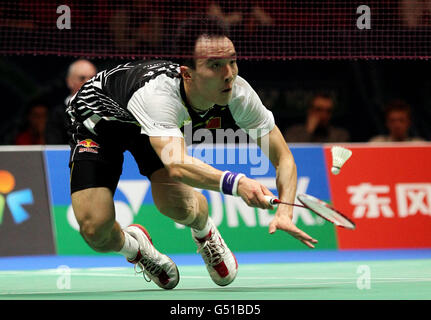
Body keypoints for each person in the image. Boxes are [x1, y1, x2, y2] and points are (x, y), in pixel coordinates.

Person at [66, 17, 317, 290]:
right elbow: (177, 165)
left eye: (232, 61)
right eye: (215, 65)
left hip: (154, 128)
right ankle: (137, 249)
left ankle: (205, 232)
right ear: (187, 74)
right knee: (94, 230)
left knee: (176, 205)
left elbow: (283, 158)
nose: (229, 74)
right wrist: (238, 183)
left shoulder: (239, 94)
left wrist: (285, 212)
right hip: (97, 123)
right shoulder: (159, 97)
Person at [47, 59, 97, 144]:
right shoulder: (57, 114)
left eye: (92, 78)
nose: (88, 82)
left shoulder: (106, 111)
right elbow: (54, 150)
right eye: (82, 78)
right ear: (69, 81)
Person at [284, 93, 350, 143]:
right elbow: (296, 154)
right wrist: (309, 131)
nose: (324, 114)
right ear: (310, 110)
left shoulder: (340, 135)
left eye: (328, 111)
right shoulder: (293, 133)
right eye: (319, 110)